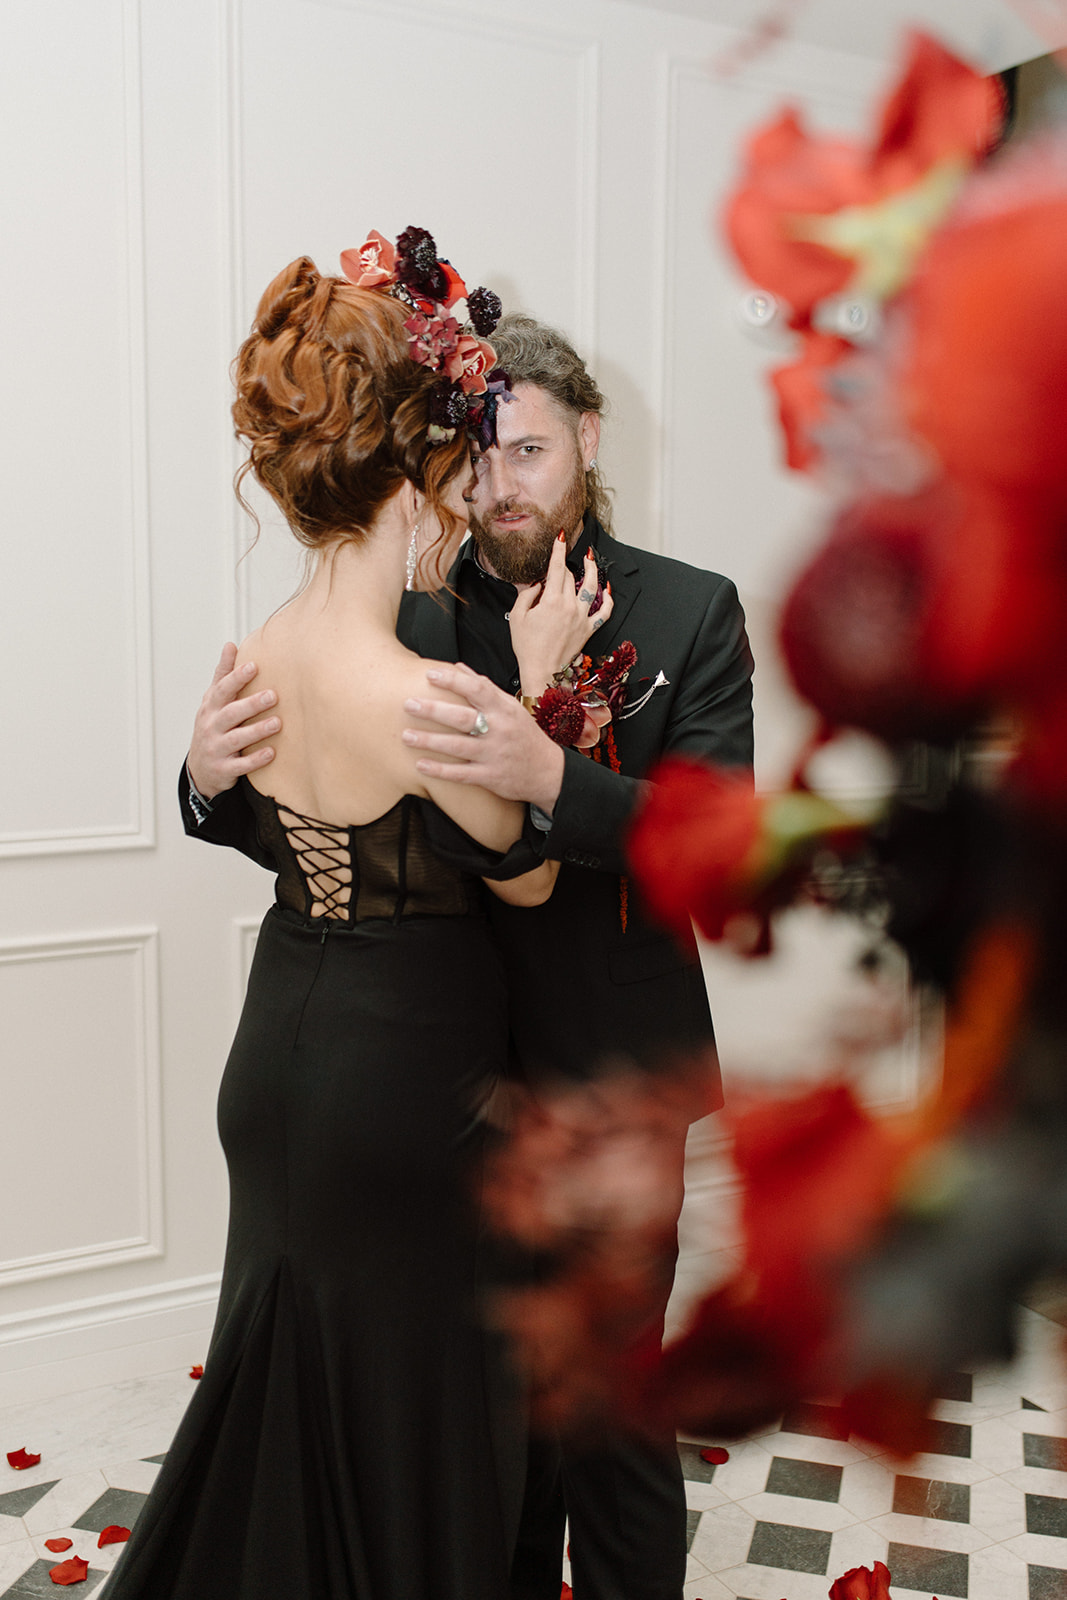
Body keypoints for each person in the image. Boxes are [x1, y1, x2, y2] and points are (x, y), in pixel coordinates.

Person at [182, 314, 755, 1600]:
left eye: (531, 452)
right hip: (442, 1098)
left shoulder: (689, 609)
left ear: (587, 443)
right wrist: (201, 779)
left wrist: (557, 772)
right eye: (477, 458)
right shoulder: (420, 612)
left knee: (605, 1417)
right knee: (473, 1419)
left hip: (607, 1080)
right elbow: (341, 818)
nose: (499, 486)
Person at [110, 244, 613, 1600]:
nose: (464, 503)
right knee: (418, 1425)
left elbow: (256, 814)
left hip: (276, 1058)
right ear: (406, 482)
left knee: (287, 1400)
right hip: (410, 1090)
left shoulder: (253, 656)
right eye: (453, 477)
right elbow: (523, 880)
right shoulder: (431, 697)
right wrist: (532, 694)